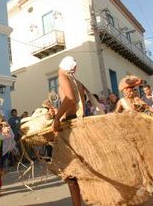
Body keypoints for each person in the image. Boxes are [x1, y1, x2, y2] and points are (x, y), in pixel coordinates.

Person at [52, 56, 89, 206]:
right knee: (80, 171)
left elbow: (69, 98)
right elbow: (81, 101)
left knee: (71, 174)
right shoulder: (78, 82)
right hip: (80, 123)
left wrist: (57, 118)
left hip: (70, 126)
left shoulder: (62, 76)